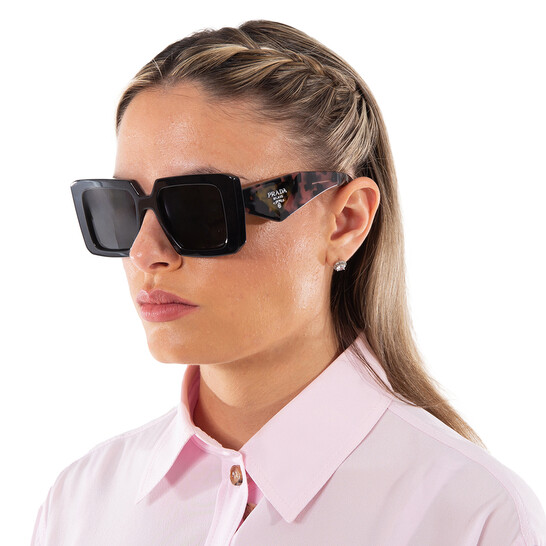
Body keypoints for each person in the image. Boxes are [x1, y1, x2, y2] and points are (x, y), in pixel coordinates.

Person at [32, 20, 545, 546]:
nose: (145, 253)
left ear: (345, 221)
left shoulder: (475, 520)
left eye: (200, 208)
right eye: (121, 208)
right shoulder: (78, 507)